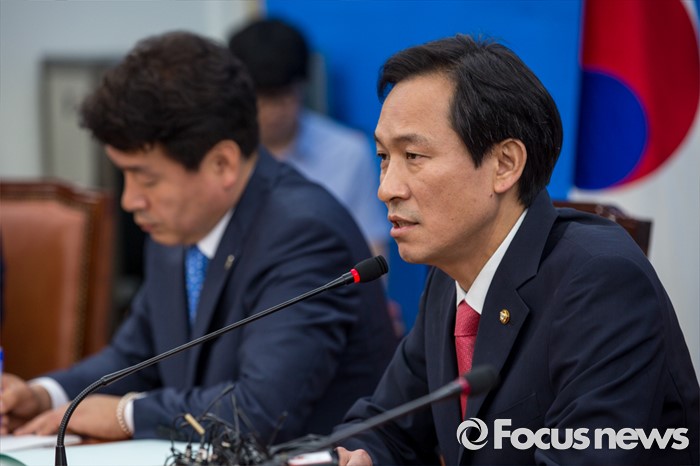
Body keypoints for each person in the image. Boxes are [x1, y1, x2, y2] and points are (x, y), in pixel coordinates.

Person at [0, 31, 397, 444]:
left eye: (146, 179)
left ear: (222, 163)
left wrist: (126, 414)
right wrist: (45, 395)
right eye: (124, 176)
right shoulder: (177, 226)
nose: (131, 200)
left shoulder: (304, 234)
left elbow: (258, 412)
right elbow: (136, 356)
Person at [334, 35, 700, 465]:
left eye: (413, 155)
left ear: (505, 164)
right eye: (384, 156)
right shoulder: (450, 277)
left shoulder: (601, 281)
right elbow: (384, 426)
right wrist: (358, 457)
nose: (386, 188)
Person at [227, 18, 389, 259]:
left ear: (303, 86)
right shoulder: (218, 154)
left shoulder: (347, 153)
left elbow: (372, 251)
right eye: (262, 97)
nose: (273, 111)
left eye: (283, 95)